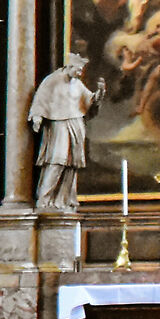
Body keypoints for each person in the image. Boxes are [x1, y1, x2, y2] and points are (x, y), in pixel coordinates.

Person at [28, 54, 100, 209]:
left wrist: (100, 93)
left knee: (72, 164)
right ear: (69, 66)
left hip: (76, 123)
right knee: (57, 160)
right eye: (78, 70)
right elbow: (41, 99)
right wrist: (37, 117)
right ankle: (44, 198)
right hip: (59, 123)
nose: (80, 73)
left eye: (81, 70)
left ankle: (64, 199)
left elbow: (89, 101)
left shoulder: (77, 84)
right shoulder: (52, 81)